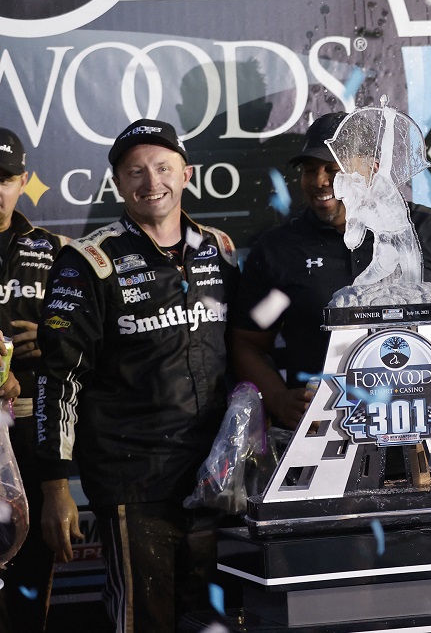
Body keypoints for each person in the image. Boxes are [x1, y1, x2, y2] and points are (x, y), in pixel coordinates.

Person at [34, 119, 236, 633]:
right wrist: (55, 483)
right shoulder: (88, 262)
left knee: (215, 620)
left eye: (163, 167)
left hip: (216, 477)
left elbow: (247, 350)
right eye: (136, 172)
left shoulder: (219, 250)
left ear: (186, 173)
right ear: (118, 184)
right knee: (145, 621)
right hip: (134, 481)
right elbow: (58, 376)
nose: (152, 183)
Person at [231, 114, 431, 430]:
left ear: (372, 169)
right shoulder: (280, 251)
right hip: (325, 438)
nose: (320, 181)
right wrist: (279, 399)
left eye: (334, 169)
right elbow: (248, 342)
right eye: (310, 170)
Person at [0, 128, 62, 631]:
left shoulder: (56, 250)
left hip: (27, 435)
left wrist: (52, 336)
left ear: (23, 181)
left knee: (28, 573)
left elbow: (91, 335)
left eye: (4, 178)